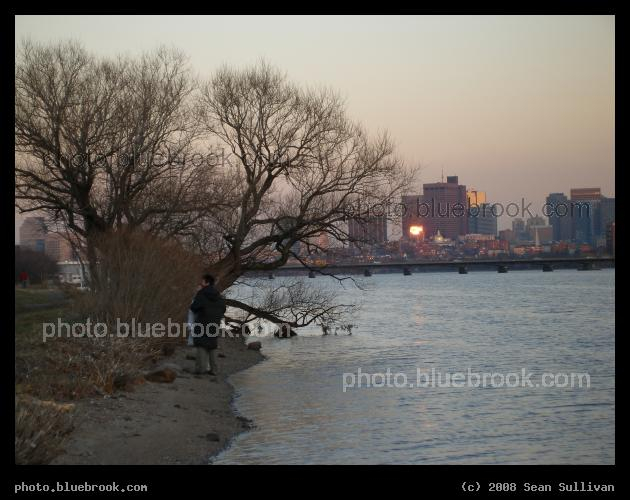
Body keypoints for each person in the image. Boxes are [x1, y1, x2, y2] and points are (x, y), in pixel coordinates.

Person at [190, 274, 226, 376]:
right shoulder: (218, 295)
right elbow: (223, 308)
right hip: (215, 323)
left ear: (206, 282)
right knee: (212, 344)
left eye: (202, 281)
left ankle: (201, 369)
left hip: (202, 321)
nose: (201, 283)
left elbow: (194, 308)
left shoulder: (201, 293)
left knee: (201, 344)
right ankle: (214, 370)